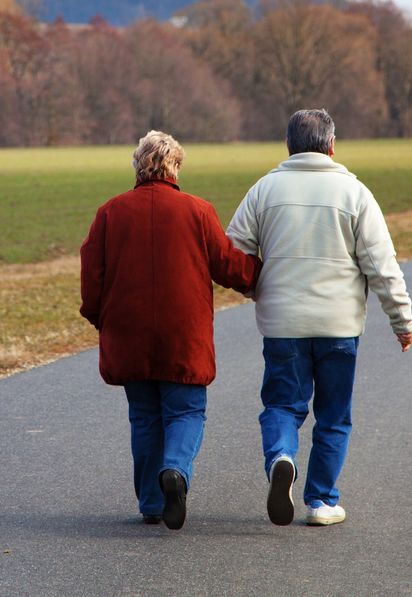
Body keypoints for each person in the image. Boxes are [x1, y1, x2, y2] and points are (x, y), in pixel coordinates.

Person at [227, 109, 412, 527]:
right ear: (332, 145)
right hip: (339, 327)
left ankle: (281, 457)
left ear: (288, 145)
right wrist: (402, 321)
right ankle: (322, 502)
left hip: (282, 325)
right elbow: (382, 266)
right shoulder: (355, 194)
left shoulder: (264, 190)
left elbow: (231, 254)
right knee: (333, 415)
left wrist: (254, 288)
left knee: (282, 404)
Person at [80, 130, 260, 530]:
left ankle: (151, 502)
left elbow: (91, 277)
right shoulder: (198, 211)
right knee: (186, 411)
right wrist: (263, 276)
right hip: (184, 335)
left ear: (139, 166)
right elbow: (228, 265)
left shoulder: (110, 213)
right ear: (175, 166)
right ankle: (175, 471)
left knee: (144, 417)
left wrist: (100, 318)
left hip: (128, 333)